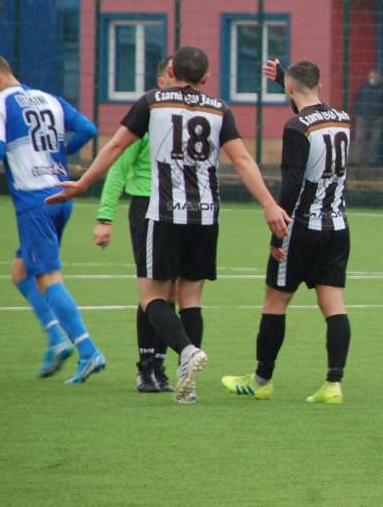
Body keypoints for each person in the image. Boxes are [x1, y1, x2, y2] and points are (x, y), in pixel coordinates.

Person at [47, 45, 290, 404]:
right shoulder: (220, 109)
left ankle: (188, 352)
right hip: (205, 216)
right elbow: (242, 160)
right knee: (191, 299)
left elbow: (115, 147)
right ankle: (185, 384)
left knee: (151, 297)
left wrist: (83, 184)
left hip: (163, 214)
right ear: (206, 78)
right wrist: (269, 204)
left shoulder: (152, 102)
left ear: (171, 70)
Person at [0, 50, 105, 383]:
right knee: (21, 272)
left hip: (34, 201)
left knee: (48, 278)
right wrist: (57, 151)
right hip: (61, 194)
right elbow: (88, 128)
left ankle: (88, 351)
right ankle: (56, 339)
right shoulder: (46, 98)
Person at [221, 60, 352, 404]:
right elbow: (308, 101)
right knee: (333, 305)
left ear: (290, 90)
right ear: (318, 83)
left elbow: (291, 187)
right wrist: (286, 78)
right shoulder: (343, 118)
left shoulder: (297, 127)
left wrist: (277, 237)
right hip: (337, 225)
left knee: (275, 301)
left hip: (302, 227)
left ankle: (262, 379)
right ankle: (333, 384)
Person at [92, 57, 176, 394]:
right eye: (173, 74)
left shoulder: (187, 118)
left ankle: (159, 363)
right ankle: (145, 368)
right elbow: (117, 166)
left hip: (177, 210)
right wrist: (104, 217)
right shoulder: (145, 116)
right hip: (145, 208)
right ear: (162, 79)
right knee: (151, 292)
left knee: (170, 292)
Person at [352, 68, 383, 166]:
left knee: (374, 141)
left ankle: (370, 161)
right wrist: (357, 112)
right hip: (363, 116)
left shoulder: (382, 89)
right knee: (360, 138)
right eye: (371, 76)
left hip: (376, 118)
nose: (372, 78)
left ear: (378, 77)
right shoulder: (364, 87)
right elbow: (357, 99)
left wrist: (382, 115)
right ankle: (357, 160)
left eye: (374, 76)